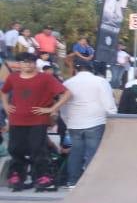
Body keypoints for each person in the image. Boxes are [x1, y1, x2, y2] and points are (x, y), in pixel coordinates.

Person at [2, 52, 67, 191]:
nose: (27, 65)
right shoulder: (13, 77)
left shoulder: (45, 78)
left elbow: (66, 93)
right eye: (24, 62)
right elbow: (4, 91)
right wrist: (6, 105)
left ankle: (43, 176)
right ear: (20, 64)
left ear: (35, 63)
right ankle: (17, 175)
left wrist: (51, 109)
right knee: (15, 148)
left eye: (31, 62)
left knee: (37, 149)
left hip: (37, 120)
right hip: (16, 119)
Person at [60, 56, 116, 187]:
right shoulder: (100, 81)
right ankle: (91, 182)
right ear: (92, 69)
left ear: (75, 70)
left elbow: (62, 106)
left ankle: (73, 181)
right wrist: (113, 117)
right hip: (96, 121)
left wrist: (67, 121)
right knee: (93, 152)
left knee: (76, 151)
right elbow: (108, 103)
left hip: (74, 122)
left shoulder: (68, 83)